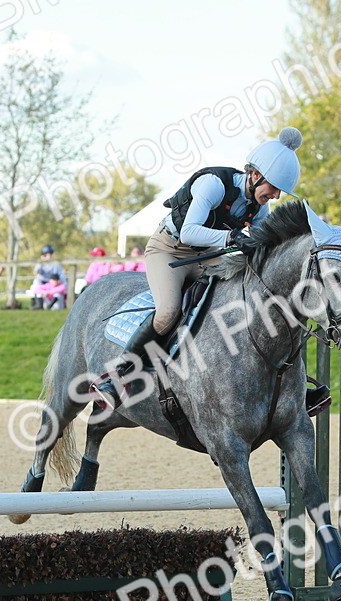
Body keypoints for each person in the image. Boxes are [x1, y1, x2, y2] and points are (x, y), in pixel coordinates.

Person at [93, 127, 302, 410]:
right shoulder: (213, 184)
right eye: (274, 187)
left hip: (208, 256)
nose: (276, 195)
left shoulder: (259, 208)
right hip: (170, 250)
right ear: (255, 176)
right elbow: (190, 232)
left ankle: (287, 389)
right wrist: (232, 237)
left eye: (279, 191)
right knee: (168, 312)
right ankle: (118, 376)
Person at [31, 245, 66, 310]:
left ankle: (49, 305)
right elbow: (36, 272)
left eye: (50, 254)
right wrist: (41, 262)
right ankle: (38, 305)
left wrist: (56, 284)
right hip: (44, 284)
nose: (48, 256)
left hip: (53, 285)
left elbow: (62, 278)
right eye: (45, 254)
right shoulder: (40, 264)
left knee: (58, 294)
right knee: (35, 283)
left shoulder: (56, 265)